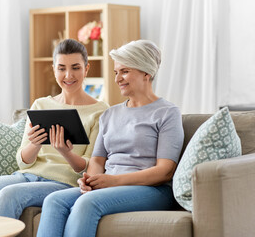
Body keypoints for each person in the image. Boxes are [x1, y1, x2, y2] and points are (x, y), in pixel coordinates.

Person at [36, 40, 185, 237]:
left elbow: (165, 171)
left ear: (146, 73)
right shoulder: (109, 114)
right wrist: (90, 181)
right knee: (54, 200)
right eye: (116, 73)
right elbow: (97, 160)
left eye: (124, 71)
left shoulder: (167, 113)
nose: (118, 79)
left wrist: (113, 181)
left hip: (151, 189)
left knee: (88, 203)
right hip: (109, 185)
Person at [0, 39, 109, 219]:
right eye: (62, 68)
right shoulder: (41, 104)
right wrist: (35, 144)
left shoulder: (100, 111)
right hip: (27, 176)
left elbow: (90, 167)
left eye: (75, 67)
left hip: (63, 183)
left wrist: (65, 153)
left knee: (8, 195)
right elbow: (23, 161)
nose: (68, 75)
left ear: (86, 69)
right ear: (54, 69)